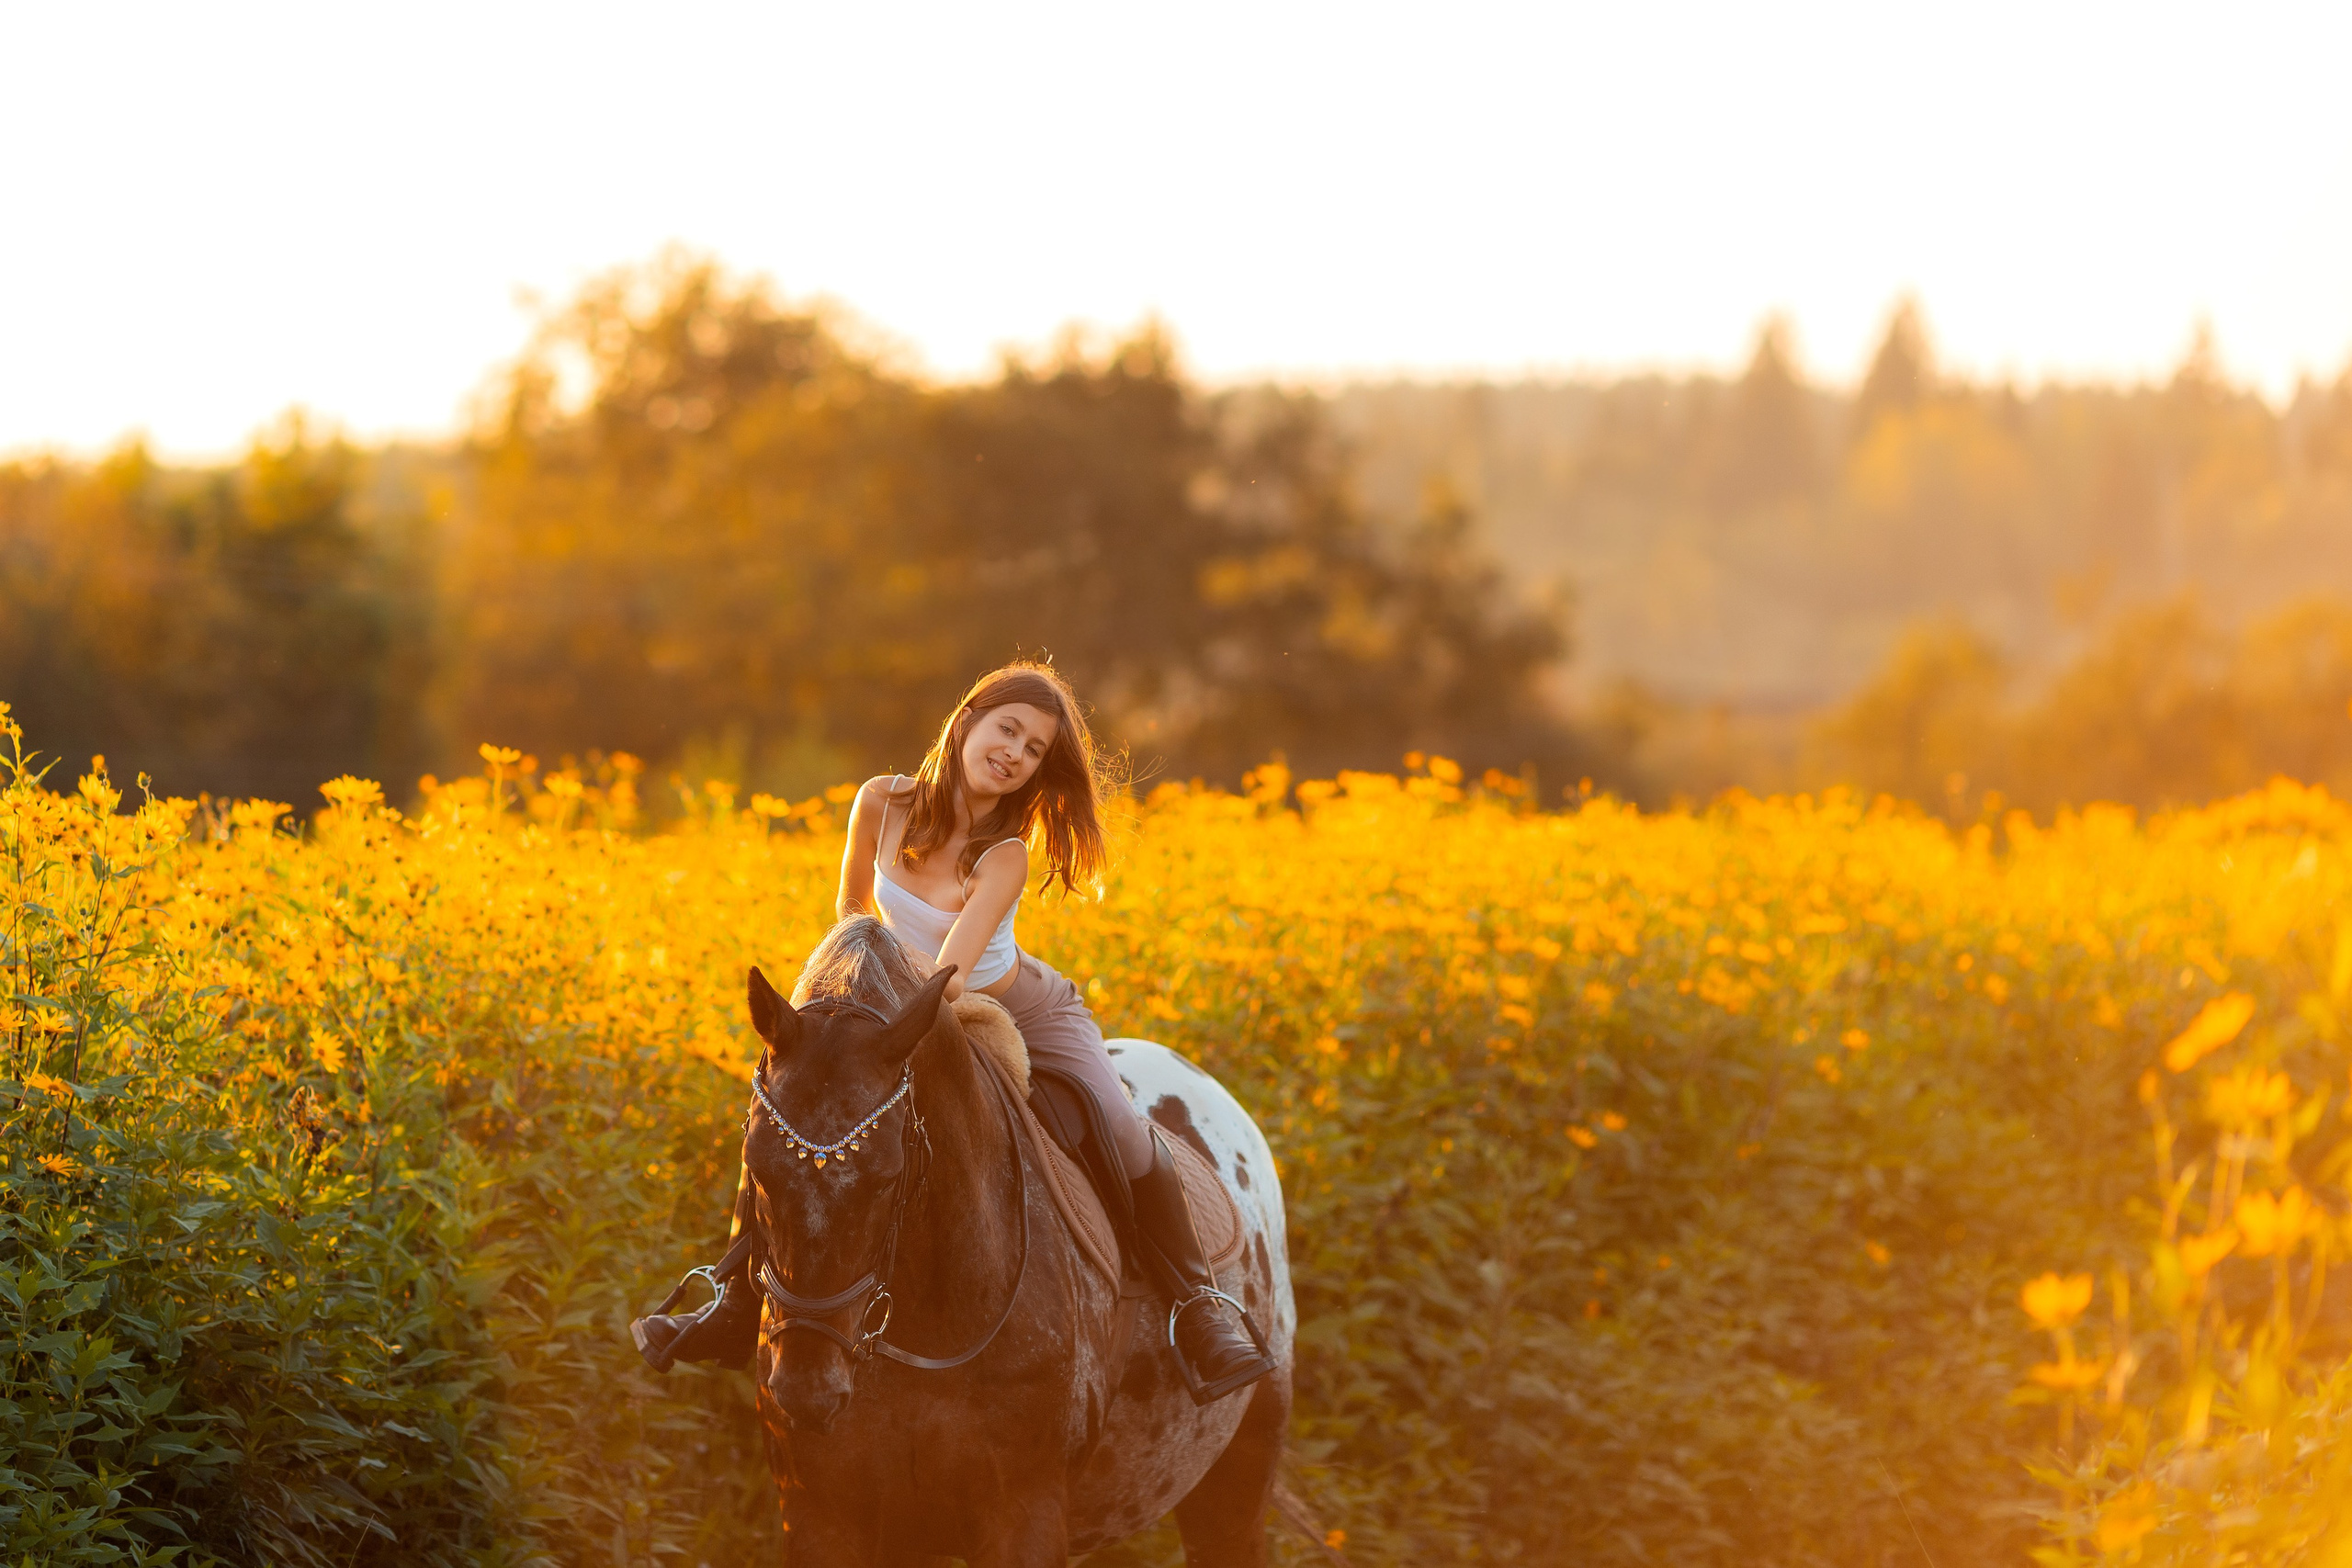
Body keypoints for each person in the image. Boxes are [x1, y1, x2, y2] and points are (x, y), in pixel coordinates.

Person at [631, 662, 1274, 1403]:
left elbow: (950, 978)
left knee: (1122, 1127)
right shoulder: (881, 801)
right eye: (1008, 729)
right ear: (968, 719)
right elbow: (850, 917)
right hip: (895, 1008)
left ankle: (1198, 1306)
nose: (1016, 753)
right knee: (791, 1113)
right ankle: (733, 1299)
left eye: (1034, 750)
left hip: (1006, 1006)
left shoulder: (1005, 854)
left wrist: (880, 1009)